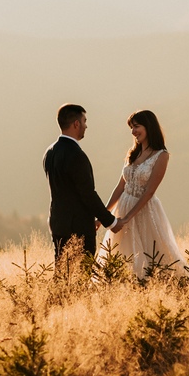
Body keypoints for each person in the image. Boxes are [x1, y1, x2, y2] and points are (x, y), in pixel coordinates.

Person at [97, 110, 187, 281]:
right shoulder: (133, 153)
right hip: (123, 207)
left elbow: (150, 191)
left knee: (150, 251)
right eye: (131, 127)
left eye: (136, 126)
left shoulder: (161, 155)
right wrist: (103, 215)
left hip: (144, 210)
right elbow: (120, 186)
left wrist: (128, 218)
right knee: (121, 252)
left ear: (149, 127)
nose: (133, 131)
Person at [43, 104, 125, 260]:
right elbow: (87, 194)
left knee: (62, 274)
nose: (86, 126)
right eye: (84, 121)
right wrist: (111, 222)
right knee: (80, 275)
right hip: (77, 227)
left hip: (57, 222)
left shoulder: (50, 152)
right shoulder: (76, 155)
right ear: (76, 124)